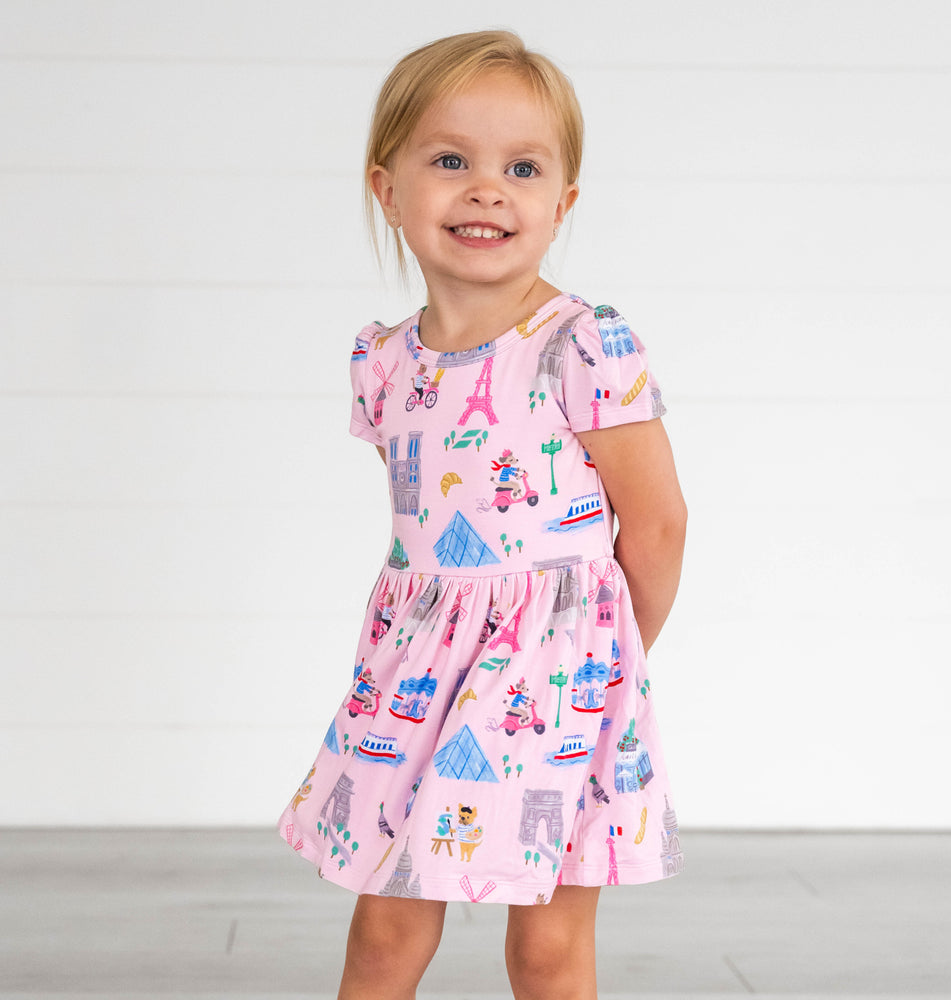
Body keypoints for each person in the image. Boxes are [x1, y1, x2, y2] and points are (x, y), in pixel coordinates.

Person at [277, 29, 687, 1000]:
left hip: (556, 677)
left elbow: (657, 522)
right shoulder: (385, 361)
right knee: (384, 925)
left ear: (561, 203)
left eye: (521, 167)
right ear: (388, 187)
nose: (486, 189)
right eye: (450, 160)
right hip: (415, 667)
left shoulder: (580, 343)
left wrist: (606, 661)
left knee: (544, 947)